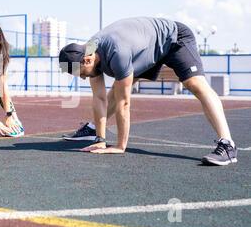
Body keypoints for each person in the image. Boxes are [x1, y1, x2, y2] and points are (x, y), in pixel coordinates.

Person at [58, 17, 237, 166]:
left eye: (81, 74)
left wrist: (120, 146)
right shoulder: (88, 51)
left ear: (88, 60)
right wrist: (100, 139)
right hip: (145, 49)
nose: (82, 78)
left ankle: (228, 145)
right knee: (116, 90)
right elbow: (99, 98)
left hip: (173, 39)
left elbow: (124, 103)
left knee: (195, 84)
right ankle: (93, 130)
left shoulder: (117, 53)